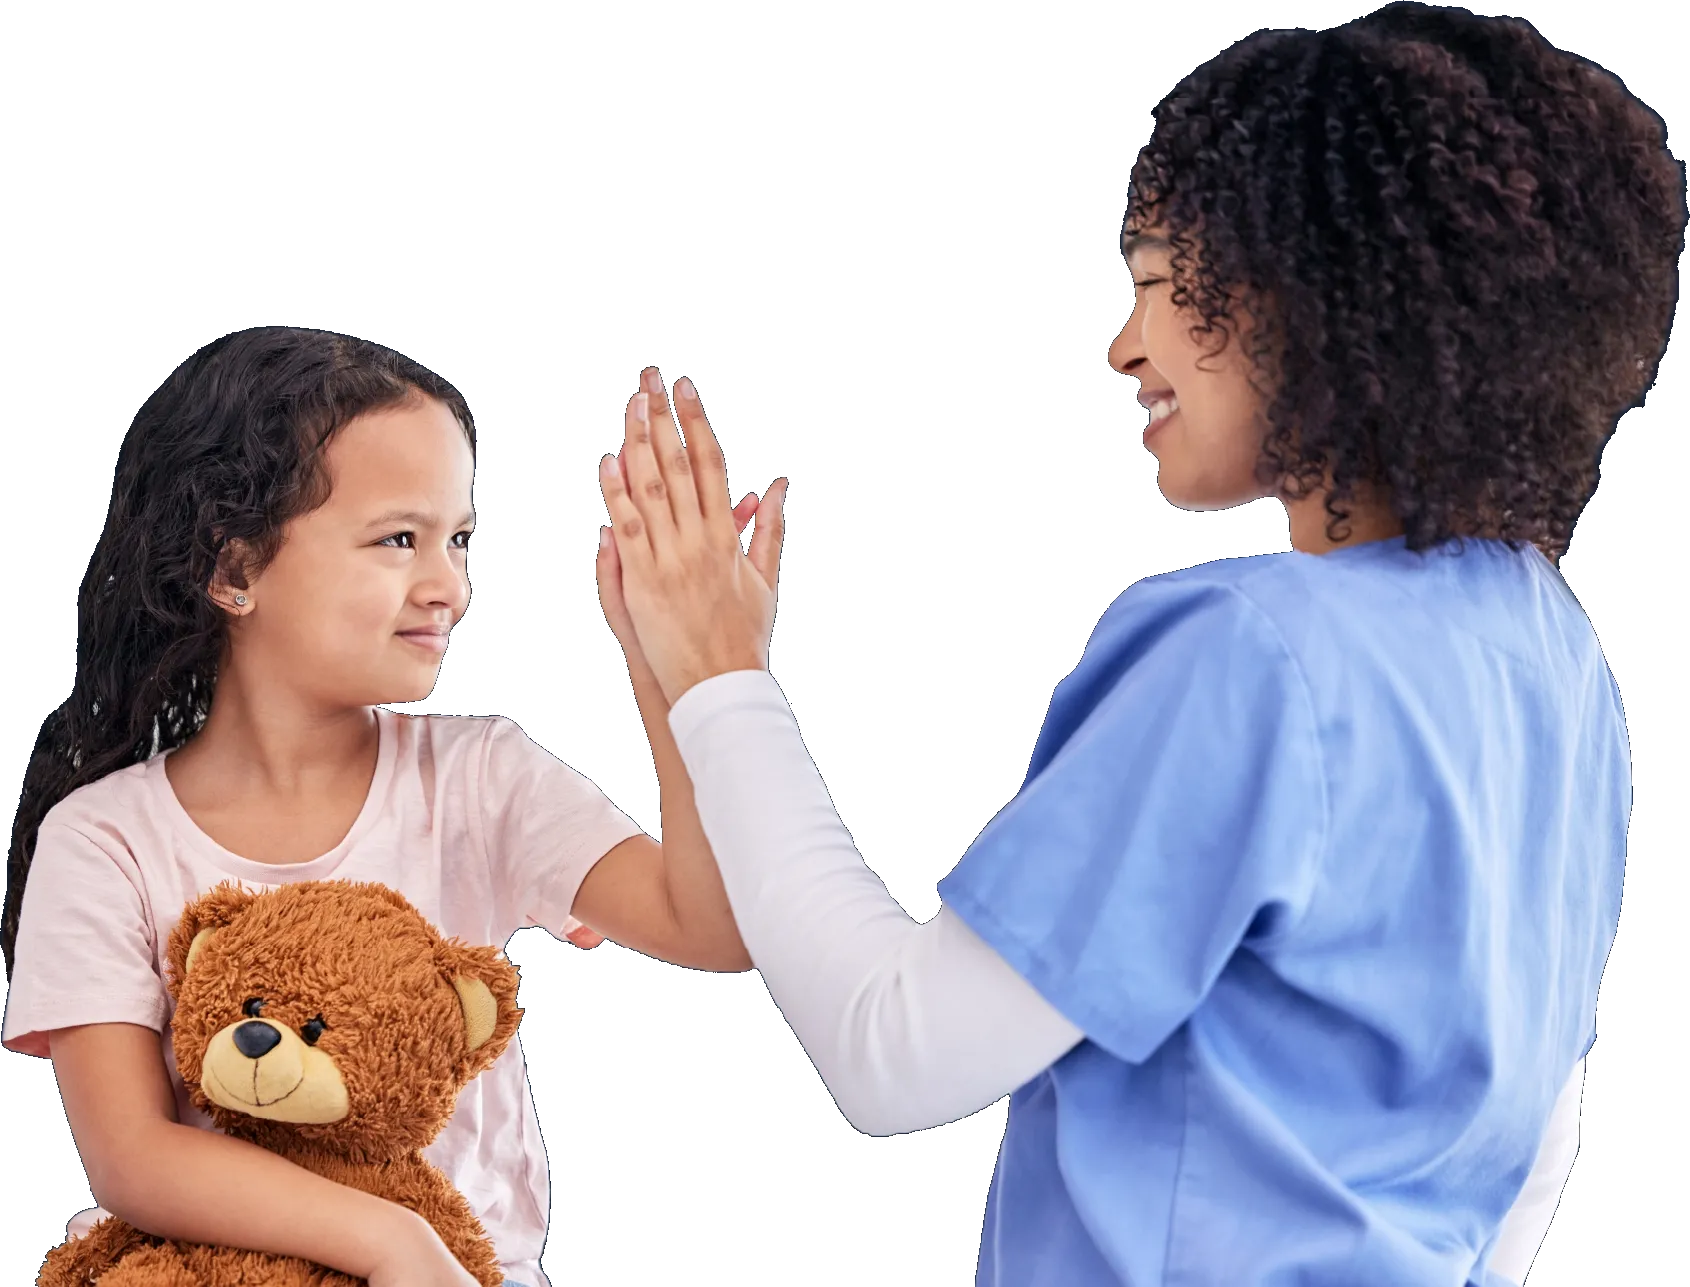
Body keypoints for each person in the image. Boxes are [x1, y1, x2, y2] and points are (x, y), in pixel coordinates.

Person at [591, 5, 1674, 1284]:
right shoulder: (1555, 656)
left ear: (1304, 299)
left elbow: (892, 1051)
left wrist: (722, 680)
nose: (1126, 343)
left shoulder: (1252, 659)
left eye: (1161, 283)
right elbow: (1536, 1136)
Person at [1, 326, 774, 1287]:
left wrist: (681, 676)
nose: (448, 584)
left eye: (459, 539)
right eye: (398, 538)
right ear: (235, 571)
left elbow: (719, 927)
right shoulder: (105, 839)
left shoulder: (484, 777)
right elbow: (134, 1157)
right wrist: (394, 1241)